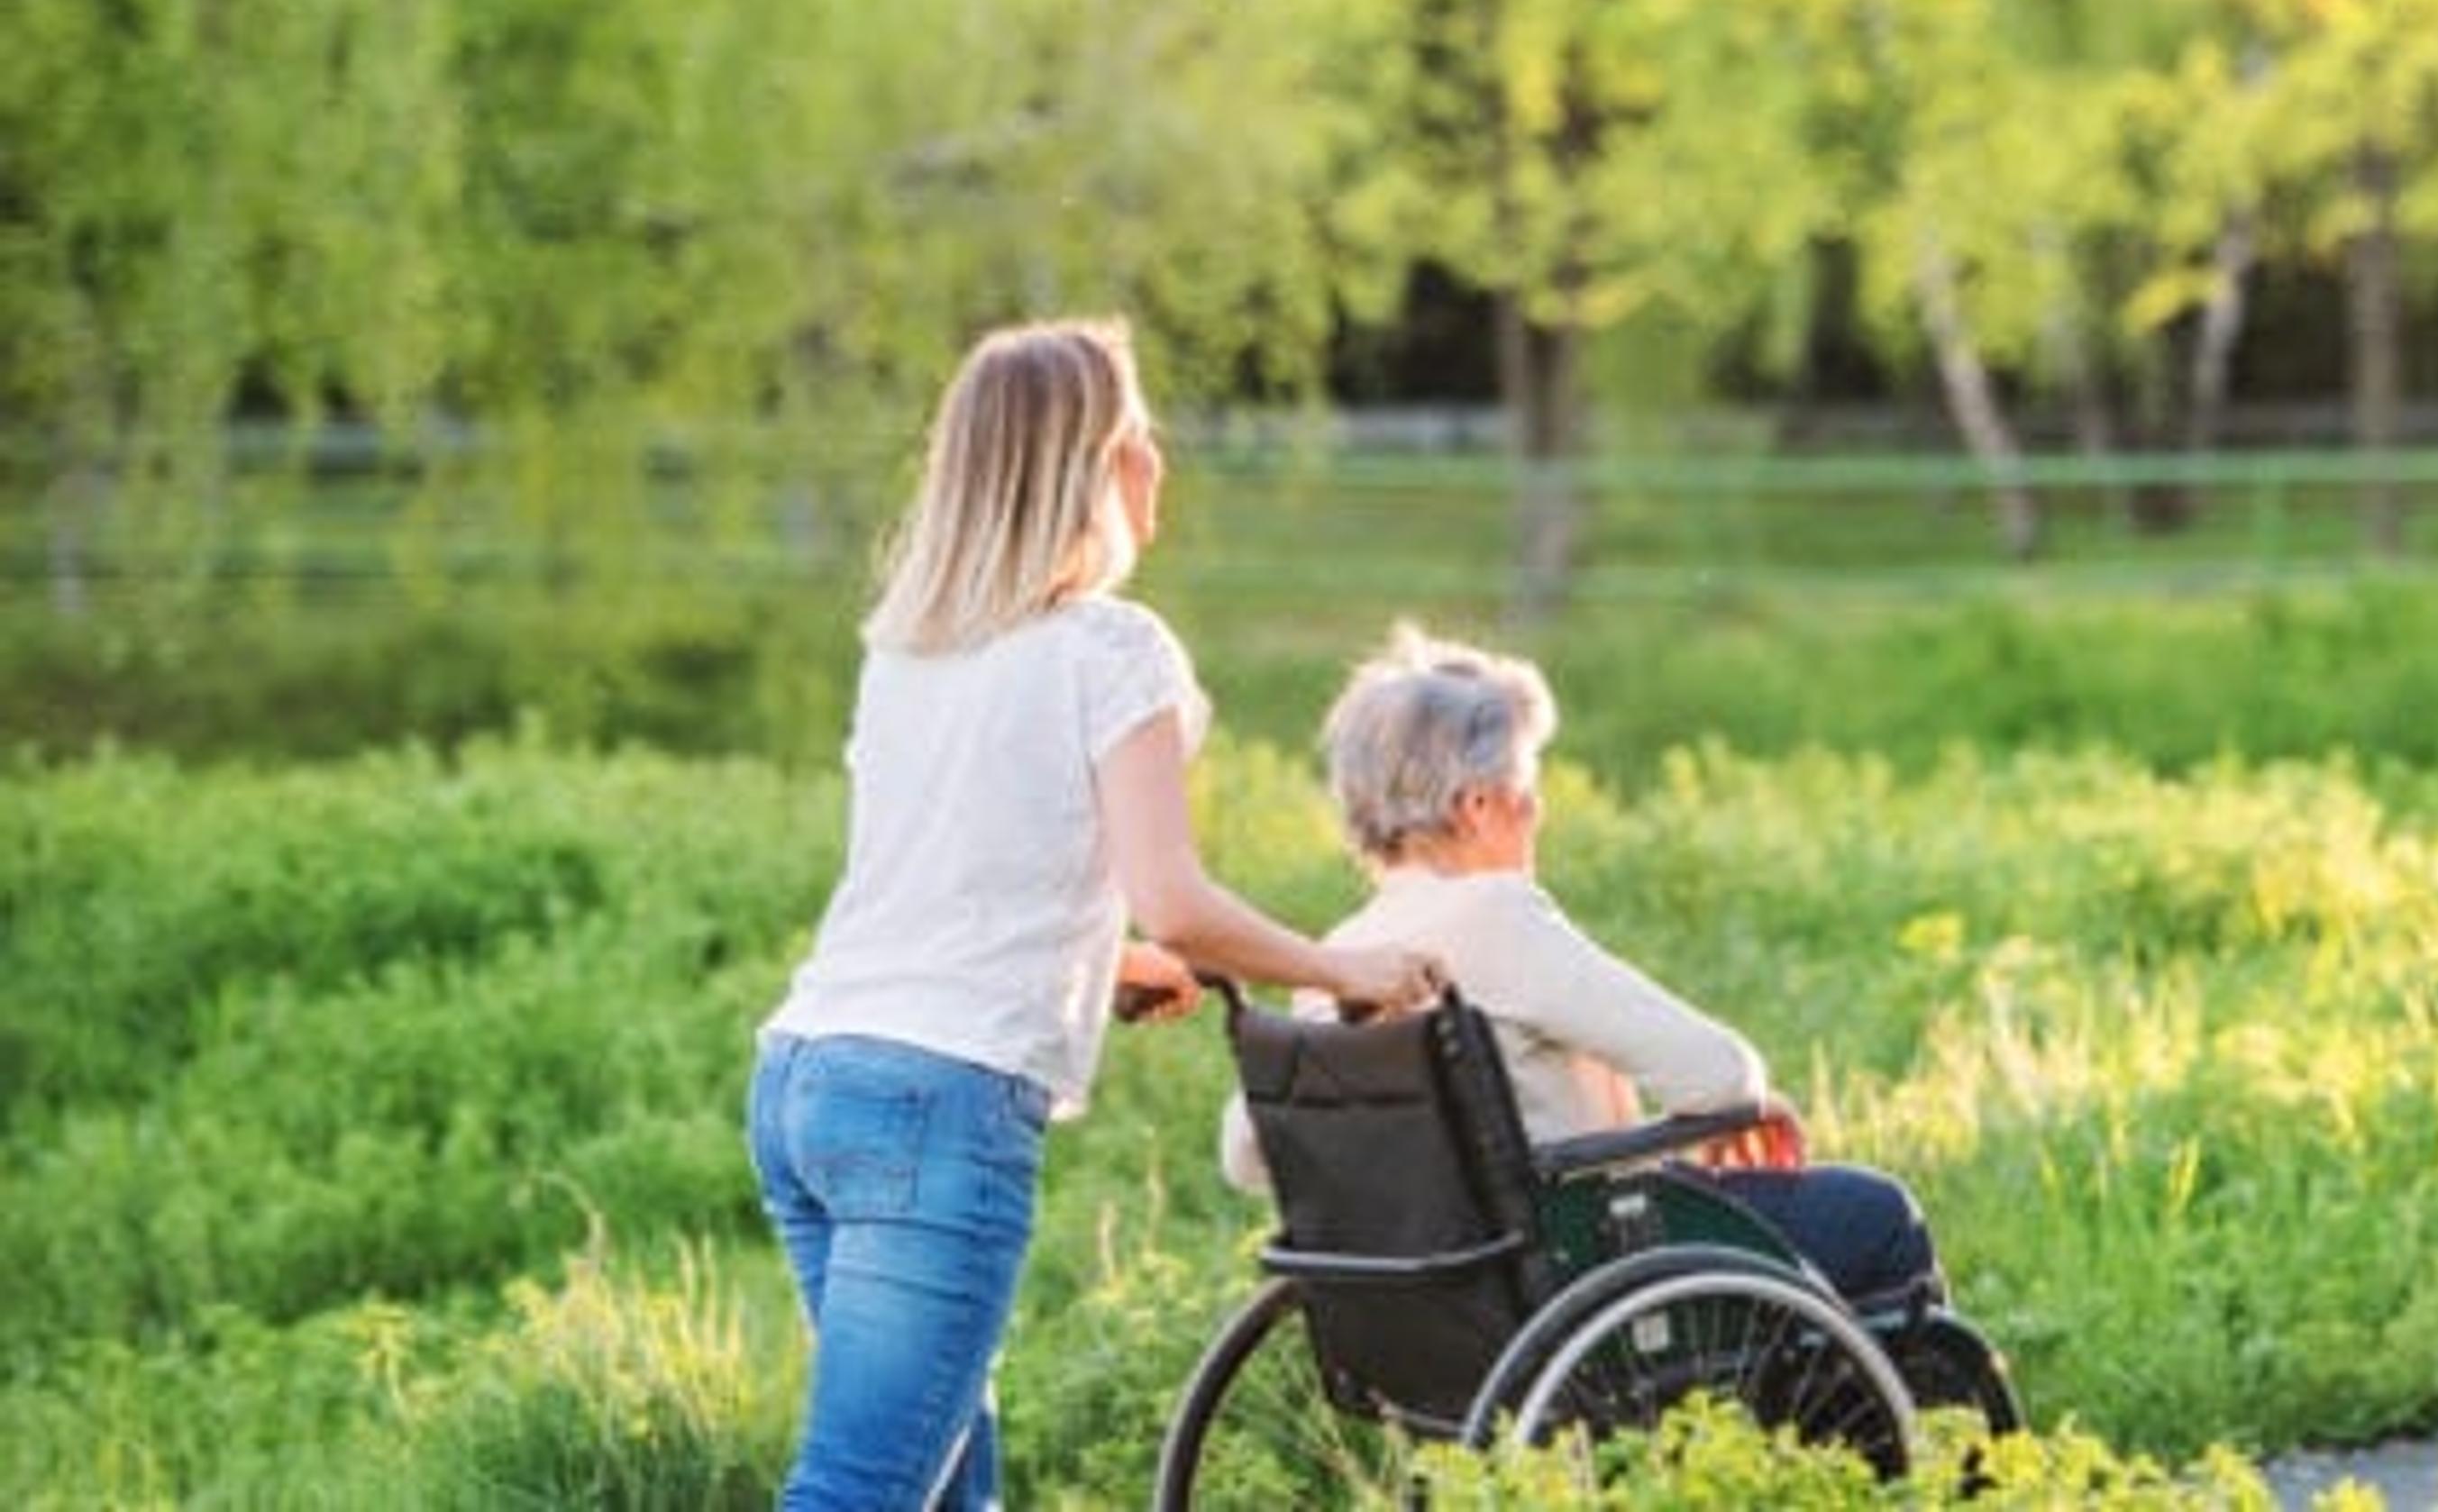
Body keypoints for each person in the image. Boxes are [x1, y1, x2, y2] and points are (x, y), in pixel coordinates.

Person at [748, 319, 1443, 1512]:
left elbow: (944, 886)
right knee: (860, 1495)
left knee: (951, 1490)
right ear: (1093, 466)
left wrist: (1103, 960)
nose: (1159, 463)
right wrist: (1347, 966)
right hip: (937, 1103)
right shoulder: (1113, 648)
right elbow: (1177, 895)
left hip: (809, 1081)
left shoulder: (910, 648)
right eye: (1140, 436)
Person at [1219, 625, 1941, 1305]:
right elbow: (1718, 1073)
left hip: (1438, 1296)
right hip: (1583, 1266)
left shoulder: (1342, 957)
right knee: (1875, 1214)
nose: (1537, 813)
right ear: (1477, 806)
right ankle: (1919, 1434)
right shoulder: (1496, 915)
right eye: (1529, 791)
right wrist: (1750, 1103)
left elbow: (1246, 1155)